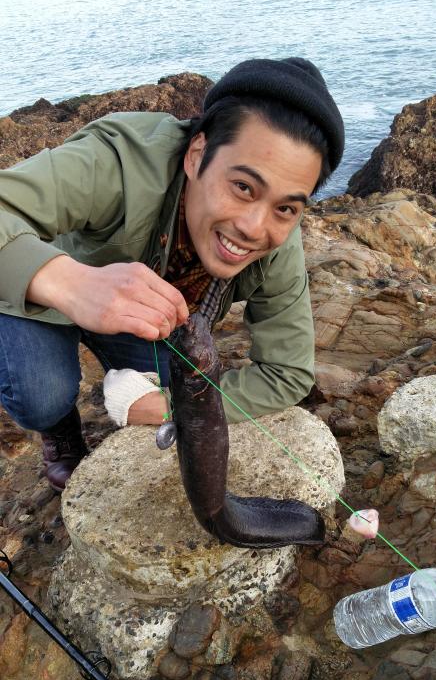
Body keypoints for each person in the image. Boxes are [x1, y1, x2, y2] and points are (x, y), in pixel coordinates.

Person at [0, 57, 345, 492]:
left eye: (285, 207)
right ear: (197, 153)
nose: (254, 228)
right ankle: (59, 430)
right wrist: (66, 281)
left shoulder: (277, 243)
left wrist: (169, 405)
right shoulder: (120, 160)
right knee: (41, 393)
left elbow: (288, 373)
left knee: (175, 381)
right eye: (242, 187)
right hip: (43, 290)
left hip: (143, 317)